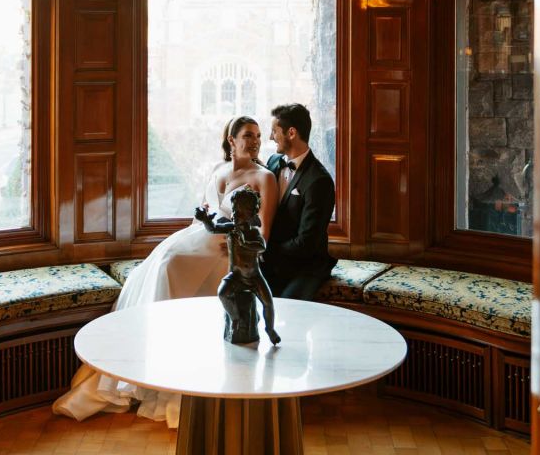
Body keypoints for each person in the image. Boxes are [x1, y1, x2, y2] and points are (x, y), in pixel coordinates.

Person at [52, 116, 278, 427]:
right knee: (155, 264)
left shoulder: (264, 177)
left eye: (258, 136)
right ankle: (143, 369)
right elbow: (203, 211)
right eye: (248, 135)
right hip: (198, 237)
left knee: (171, 266)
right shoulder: (217, 170)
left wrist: (242, 244)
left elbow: (265, 231)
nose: (254, 141)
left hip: (226, 251)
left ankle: (173, 376)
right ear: (231, 140)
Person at [261, 103, 338, 301]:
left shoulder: (319, 181)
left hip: (306, 266)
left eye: (274, 131)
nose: (271, 137)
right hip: (273, 261)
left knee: (286, 306)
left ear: (292, 133)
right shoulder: (273, 163)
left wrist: (266, 250)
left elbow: (306, 243)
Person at [195, 186, 281, 345]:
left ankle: (270, 329)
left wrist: (246, 242)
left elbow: (261, 246)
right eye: (234, 211)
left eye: (240, 213)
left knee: (268, 303)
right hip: (236, 275)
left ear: (251, 215)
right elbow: (213, 229)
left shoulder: (253, 233)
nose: (235, 215)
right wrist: (206, 219)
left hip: (254, 276)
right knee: (222, 293)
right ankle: (235, 318)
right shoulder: (231, 229)